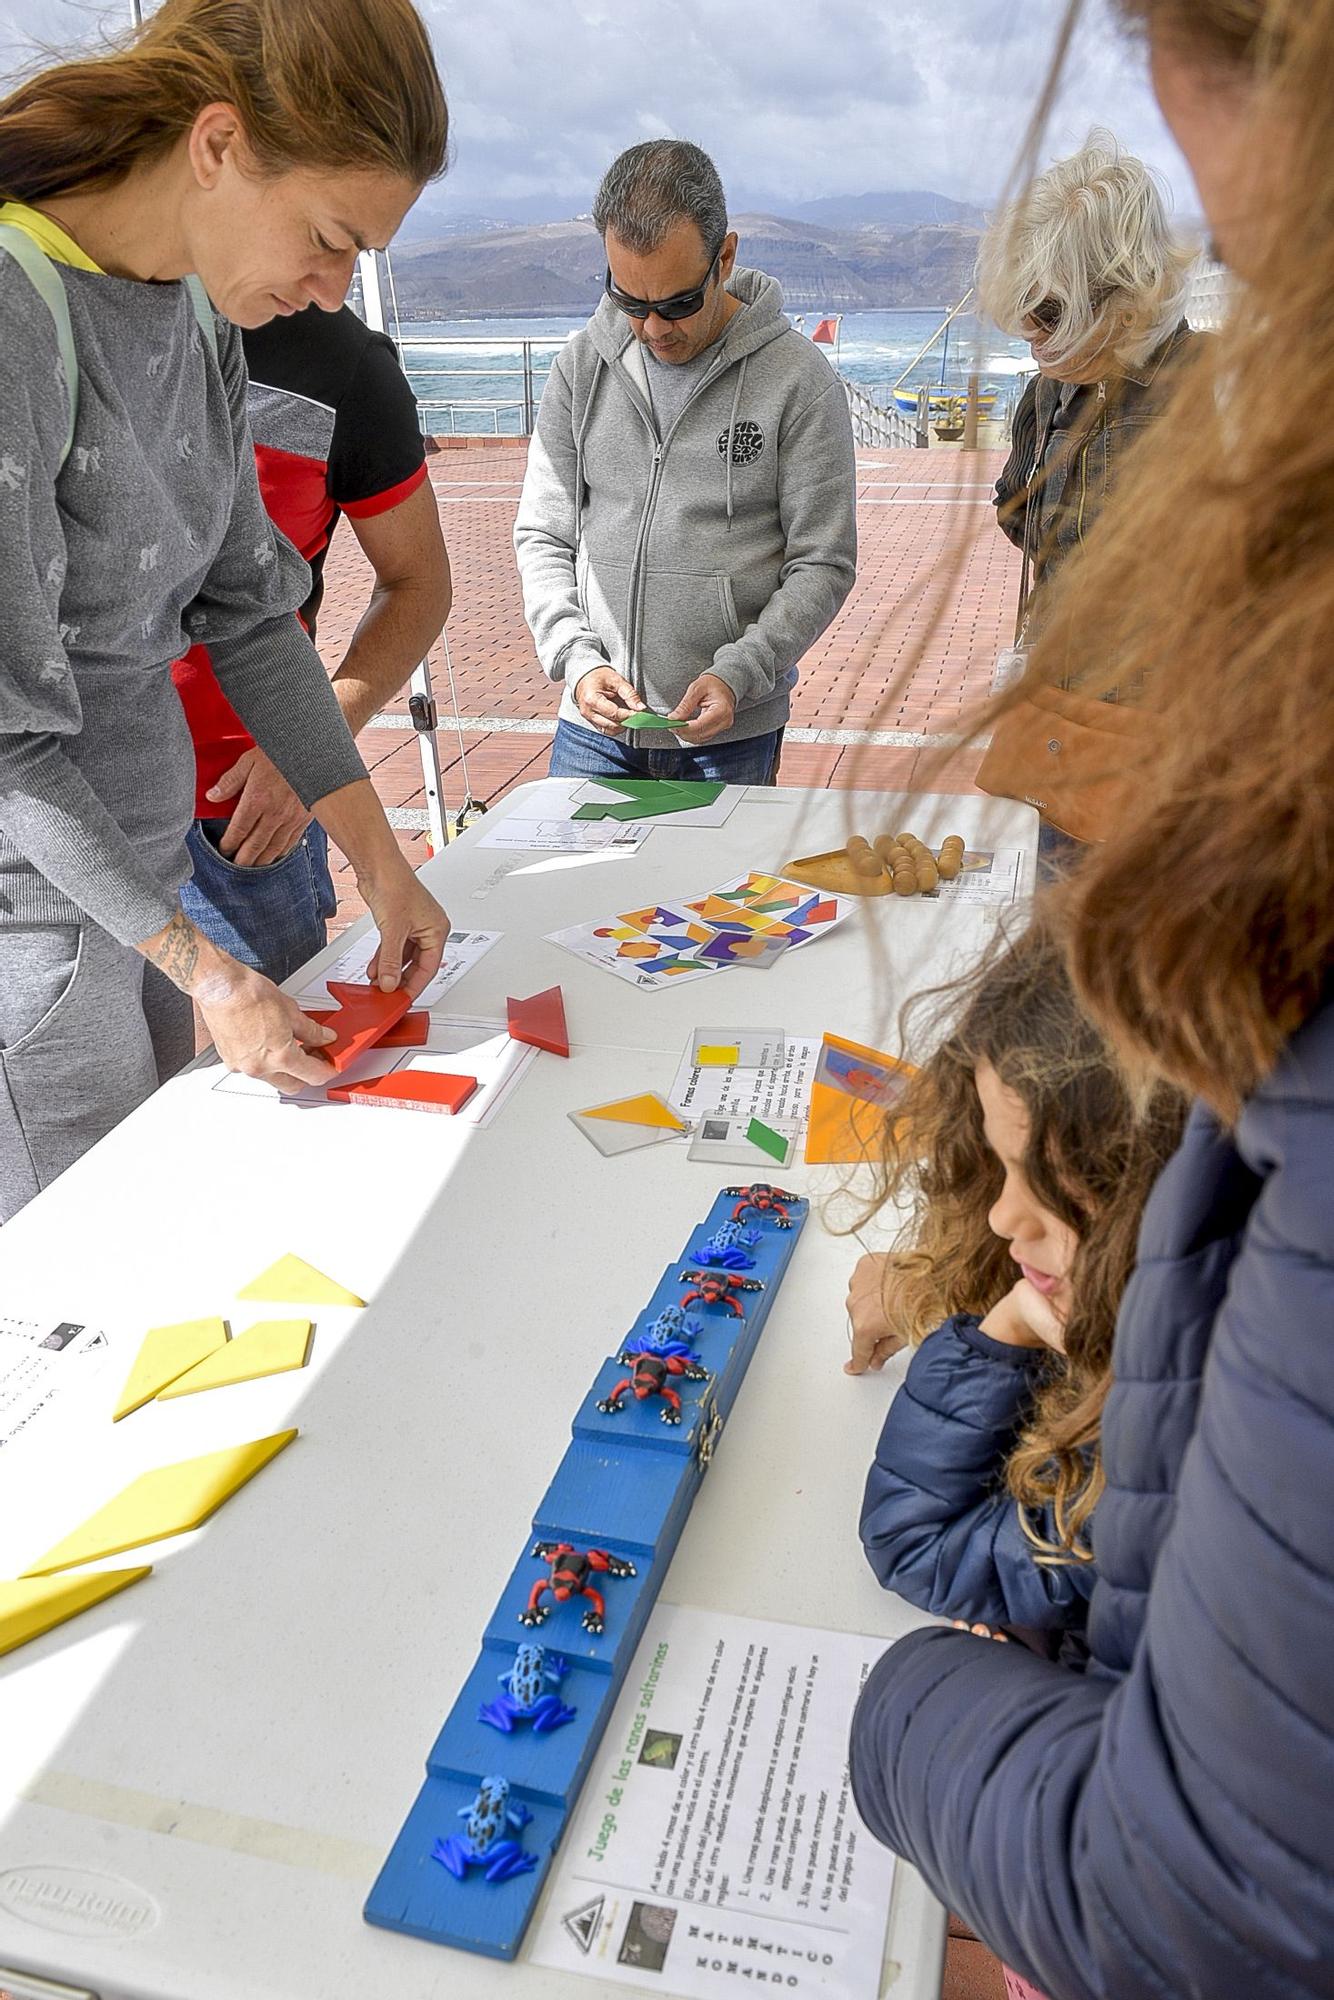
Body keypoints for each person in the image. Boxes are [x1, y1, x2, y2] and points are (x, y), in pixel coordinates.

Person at [850, 4, 1334, 1998]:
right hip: (1094, 856)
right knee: (1051, 1116)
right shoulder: (1070, 408)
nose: (1041, 355)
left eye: (1061, 318)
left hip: (1138, 857)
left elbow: (1203, 1894)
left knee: (1103, 1141)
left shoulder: (1227, 413)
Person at [0, 0, 451, 1221]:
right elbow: (8, 737)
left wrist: (382, 865)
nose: (328, 287)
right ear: (215, 146)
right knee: (68, 1290)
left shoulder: (194, 308)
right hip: (36, 934)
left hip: (136, 895)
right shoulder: (14, 308)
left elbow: (251, 611)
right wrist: (205, 967)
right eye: (325, 234)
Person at [847, 923, 1185, 1647]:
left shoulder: (1172, 1453)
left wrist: (1003, 1331)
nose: (1002, 1216)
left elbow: (919, 1544)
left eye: (1060, 1186)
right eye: (1003, 1166)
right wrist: (927, 1303)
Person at [514, 139, 857, 786]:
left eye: (676, 304)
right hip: (593, 728)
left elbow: (824, 563)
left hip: (727, 734)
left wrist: (740, 672)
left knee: (708, 894)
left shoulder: (799, 383)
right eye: (629, 302)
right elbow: (543, 533)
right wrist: (576, 658)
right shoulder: (581, 367)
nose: (651, 329)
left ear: (724, 258)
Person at [174, 302, 452, 983]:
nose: (335, 282)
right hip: (75, 809)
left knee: (290, 1074)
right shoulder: (85, 318)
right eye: (329, 237)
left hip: (245, 815)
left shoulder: (345, 363)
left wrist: (312, 759)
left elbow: (416, 584)